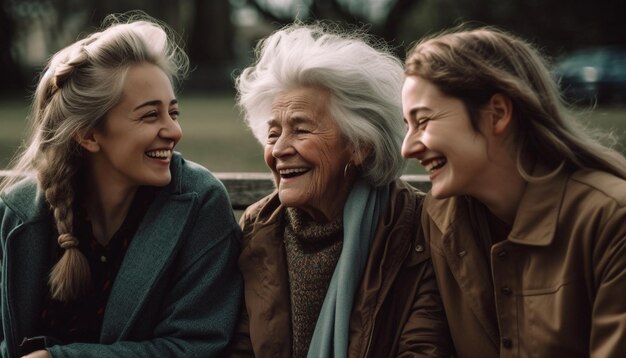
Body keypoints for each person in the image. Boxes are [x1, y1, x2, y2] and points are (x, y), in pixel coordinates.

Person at [0, 12, 242, 358]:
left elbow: (195, 345)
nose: (174, 131)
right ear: (88, 135)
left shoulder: (200, 204)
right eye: (149, 115)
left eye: (173, 112)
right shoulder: (20, 215)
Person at [227, 23, 452, 358]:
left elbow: (423, 349)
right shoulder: (258, 227)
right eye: (273, 134)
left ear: (360, 145)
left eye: (301, 130)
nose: (278, 150)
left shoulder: (420, 229)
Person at [401, 25, 626, 357]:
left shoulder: (611, 219)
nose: (407, 148)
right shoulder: (437, 221)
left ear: (498, 114)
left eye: (423, 121)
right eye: (406, 126)